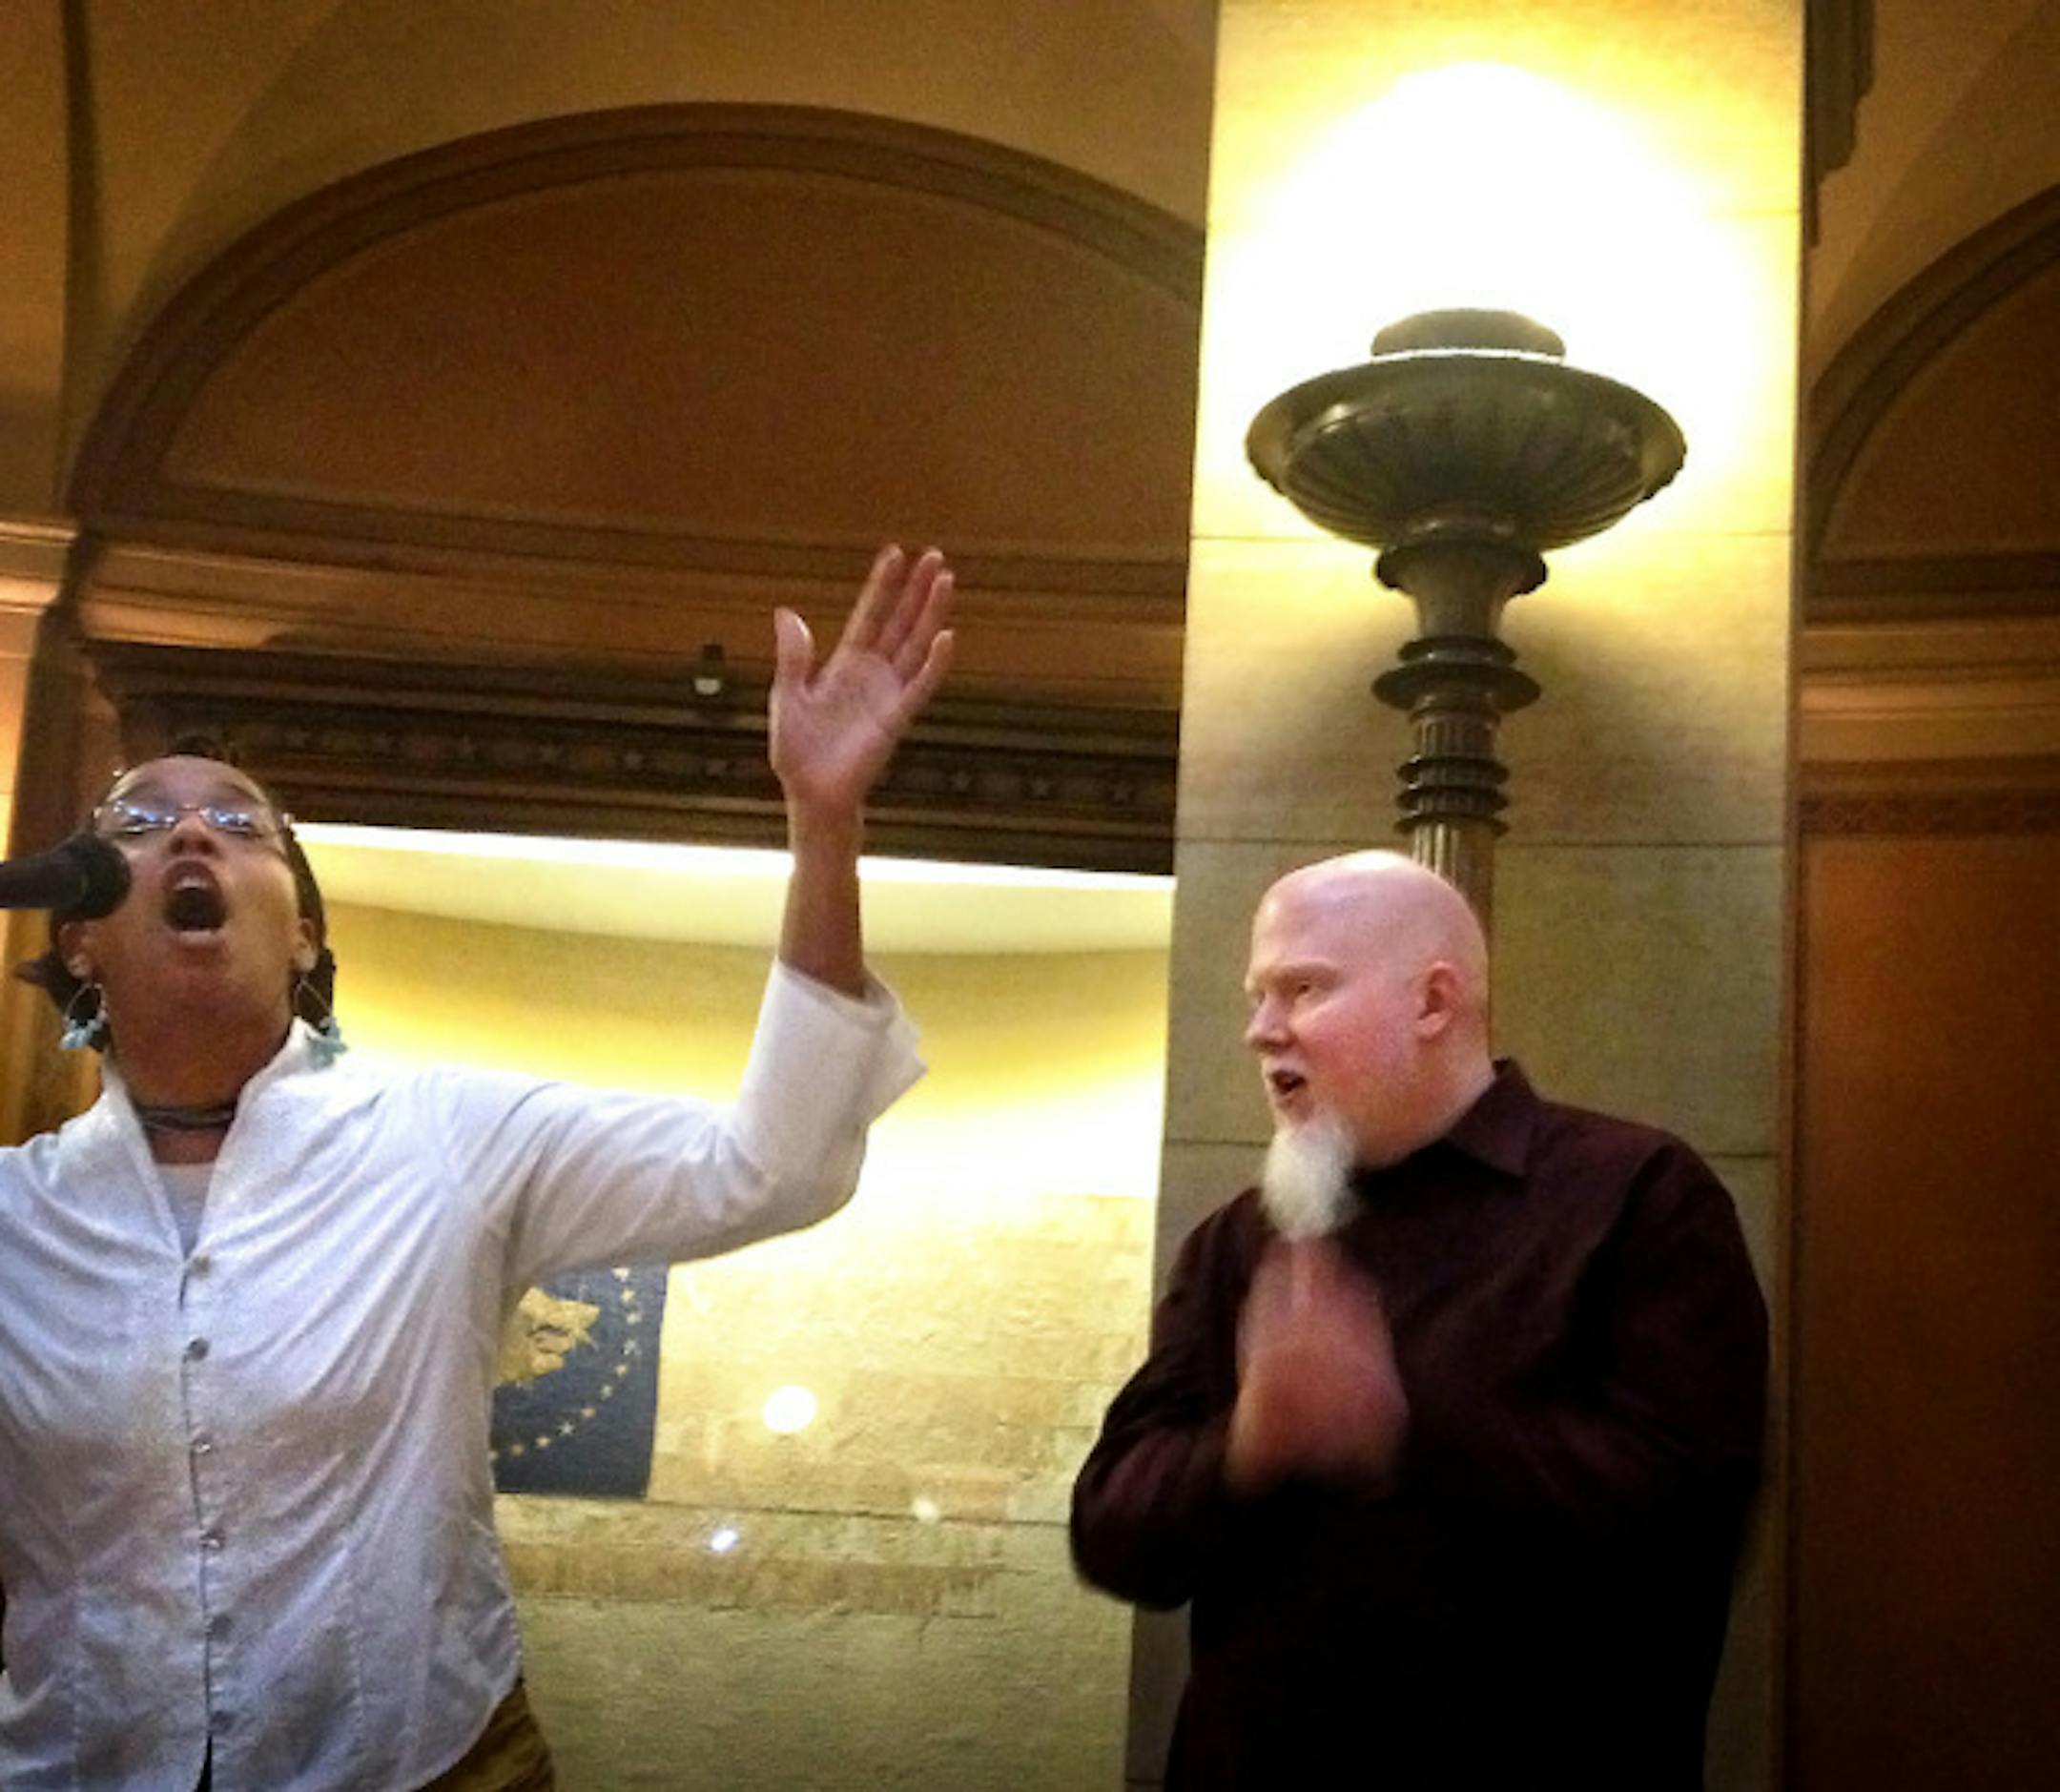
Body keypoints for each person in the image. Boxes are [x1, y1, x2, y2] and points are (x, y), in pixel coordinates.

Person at [0, 545, 953, 1791]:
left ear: (305, 933)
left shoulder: (443, 1136)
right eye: (141, 819)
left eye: (242, 822)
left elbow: (769, 1163)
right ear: (79, 933)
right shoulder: (18, 1214)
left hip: (428, 1763)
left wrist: (825, 825)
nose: (191, 827)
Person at [1071, 851, 1768, 1790]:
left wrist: (1404, 1421)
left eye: (1302, 989)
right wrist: (1242, 1451)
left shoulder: (1637, 1195)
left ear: (1433, 1002)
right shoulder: (1241, 1239)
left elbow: (1684, 1518)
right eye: (1257, 995)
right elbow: (1112, 1530)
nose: (1259, 1030)